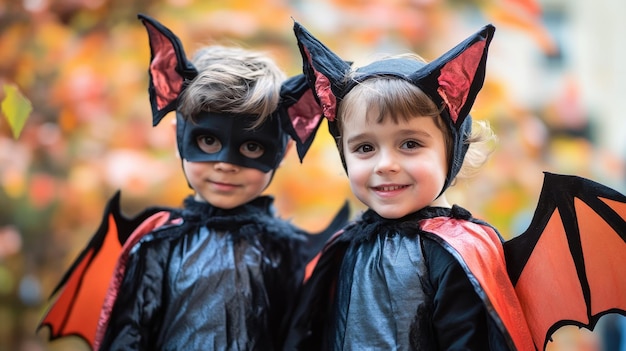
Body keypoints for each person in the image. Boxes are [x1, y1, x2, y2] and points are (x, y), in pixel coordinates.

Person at [35, 14, 348, 351]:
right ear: (177, 139)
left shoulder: (296, 254)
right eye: (208, 142)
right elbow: (131, 333)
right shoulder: (157, 244)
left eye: (252, 146)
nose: (225, 165)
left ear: (283, 151)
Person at [280, 22, 536, 350]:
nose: (385, 164)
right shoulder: (340, 247)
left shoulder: (455, 252)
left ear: (452, 153)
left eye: (410, 144)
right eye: (365, 148)